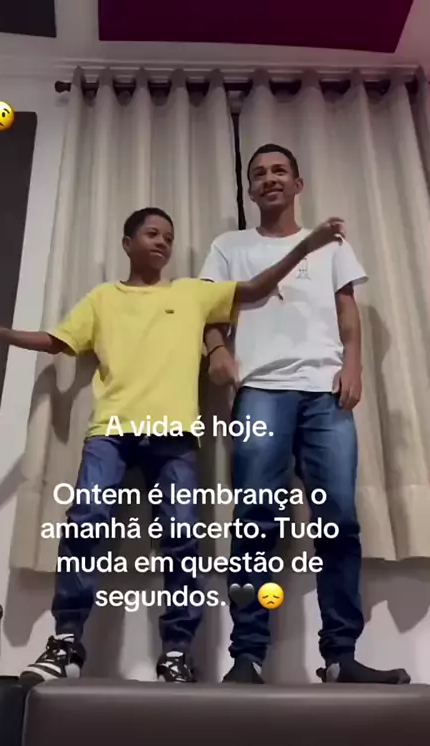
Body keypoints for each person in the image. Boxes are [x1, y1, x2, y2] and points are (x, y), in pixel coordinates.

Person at [0, 206, 345, 685]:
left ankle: (177, 652)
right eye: (151, 234)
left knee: (182, 539)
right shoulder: (102, 299)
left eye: (169, 236)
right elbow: (55, 341)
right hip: (111, 434)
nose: (162, 242)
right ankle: (65, 641)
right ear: (128, 244)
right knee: (85, 523)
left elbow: (254, 289)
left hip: (176, 438)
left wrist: (305, 247)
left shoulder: (192, 293)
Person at [200, 144, 411, 686]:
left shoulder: (332, 244)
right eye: (259, 173)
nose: (269, 178)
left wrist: (354, 366)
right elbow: (209, 310)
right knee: (254, 522)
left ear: (298, 184)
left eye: (279, 171)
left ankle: (341, 656)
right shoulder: (229, 246)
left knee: (339, 521)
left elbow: (347, 313)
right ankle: (247, 657)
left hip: (325, 393)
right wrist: (217, 350)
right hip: (261, 391)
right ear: (250, 189)